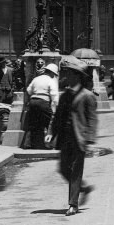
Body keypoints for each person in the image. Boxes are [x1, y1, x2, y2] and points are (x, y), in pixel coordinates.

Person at [47, 57, 97, 216]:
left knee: (75, 171)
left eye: (68, 73)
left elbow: (92, 118)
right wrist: (50, 133)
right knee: (62, 169)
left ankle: (73, 205)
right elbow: (58, 118)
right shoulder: (65, 95)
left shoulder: (87, 95)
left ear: (77, 76)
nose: (65, 76)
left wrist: (89, 137)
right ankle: (84, 188)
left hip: (79, 138)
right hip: (65, 138)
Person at [25, 62, 59, 148]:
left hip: (33, 101)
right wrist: (57, 105)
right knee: (50, 122)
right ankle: (48, 144)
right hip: (43, 102)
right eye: (54, 74)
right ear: (51, 72)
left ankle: (29, 144)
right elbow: (54, 95)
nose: (53, 76)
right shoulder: (51, 81)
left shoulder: (36, 79)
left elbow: (29, 90)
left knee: (33, 123)